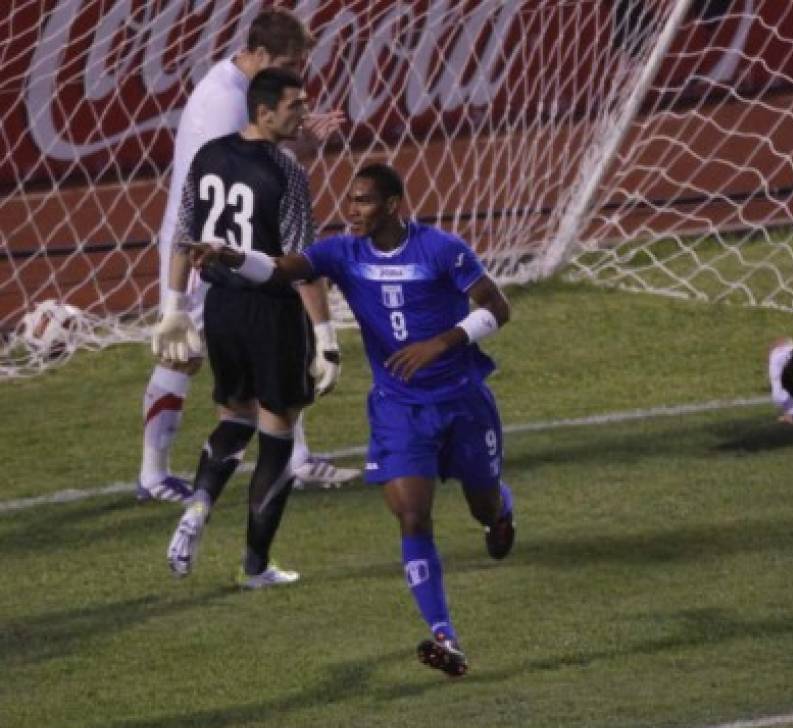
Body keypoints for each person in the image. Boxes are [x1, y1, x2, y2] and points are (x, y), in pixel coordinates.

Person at [188, 164, 516, 675]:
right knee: (411, 513)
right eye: (351, 200)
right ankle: (445, 636)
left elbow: (498, 307)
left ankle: (500, 512)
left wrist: (442, 342)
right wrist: (233, 257)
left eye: (364, 200)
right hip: (398, 408)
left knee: (483, 502)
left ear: (392, 204)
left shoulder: (442, 249)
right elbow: (280, 269)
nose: (353, 209)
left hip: (462, 400)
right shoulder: (342, 253)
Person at [137, 7, 357, 502]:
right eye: (289, 61)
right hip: (202, 249)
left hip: (239, 241)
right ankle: (152, 476)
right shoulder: (222, 102)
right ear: (257, 53)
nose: (296, 73)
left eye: (301, 63)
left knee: (276, 338)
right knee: (184, 353)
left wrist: (299, 141)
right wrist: (303, 145)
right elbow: (238, 178)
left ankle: (295, 460)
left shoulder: (251, 92)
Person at [153, 67, 333, 588]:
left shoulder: (209, 156)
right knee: (277, 438)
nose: (303, 113)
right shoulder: (286, 172)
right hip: (274, 315)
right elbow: (302, 265)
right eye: (295, 106)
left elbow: (184, 239)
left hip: (222, 309)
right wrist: (326, 341)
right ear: (264, 111)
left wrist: (175, 308)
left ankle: (199, 505)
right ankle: (255, 567)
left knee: (234, 418)